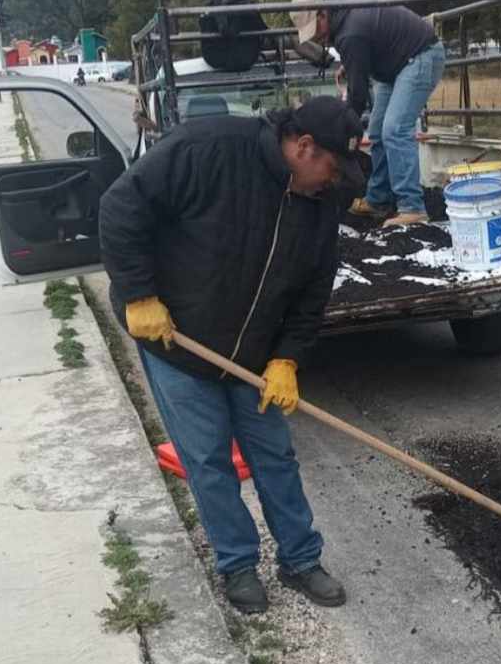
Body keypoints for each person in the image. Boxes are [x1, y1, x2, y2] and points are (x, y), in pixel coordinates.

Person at [99, 96, 365, 615]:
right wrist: (137, 293)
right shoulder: (210, 149)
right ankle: (238, 565)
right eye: (333, 168)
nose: (335, 181)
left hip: (254, 355)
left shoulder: (320, 203)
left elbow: (313, 291)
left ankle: (300, 559)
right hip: (179, 343)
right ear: (304, 146)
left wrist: (287, 358)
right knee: (208, 460)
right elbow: (120, 206)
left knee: (275, 457)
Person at [290, 0, 446, 228]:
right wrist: (354, 63)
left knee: (395, 129)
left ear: (322, 14)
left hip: (420, 55)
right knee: (376, 132)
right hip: (394, 63)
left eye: (315, 29)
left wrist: (344, 129)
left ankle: (412, 207)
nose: (315, 38)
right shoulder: (340, 6)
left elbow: (358, 94)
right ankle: (379, 199)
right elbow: (366, 44)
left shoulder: (351, 31)